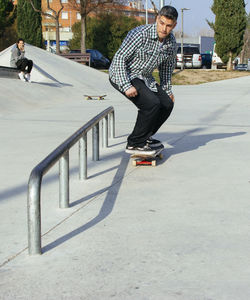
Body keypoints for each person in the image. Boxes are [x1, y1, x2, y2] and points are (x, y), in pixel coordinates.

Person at [109, 5, 178, 155]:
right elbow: (119, 58)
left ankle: (145, 136)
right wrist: (126, 85)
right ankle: (135, 143)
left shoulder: (171, 43)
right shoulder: (140, 34)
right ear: (157, 19)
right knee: (151, 104)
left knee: (166, 104)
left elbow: (166, 70)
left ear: (174, 25)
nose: (164, 29)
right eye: (161, 23)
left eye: (168, 26)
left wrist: (167, 91)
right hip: (124, 74)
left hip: (145, 78)